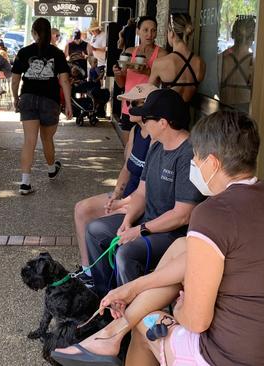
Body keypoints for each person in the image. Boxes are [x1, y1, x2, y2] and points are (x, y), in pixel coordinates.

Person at [53, 111, 264, 366]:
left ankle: (112, 334)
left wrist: (179, 307)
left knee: (147, 320)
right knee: (180, 246)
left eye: (196, 157)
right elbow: (190, 260)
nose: (193, 163)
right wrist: (132, 288)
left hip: (228, 358)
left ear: (213, 163)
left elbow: (197, 320)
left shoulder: (212, 213)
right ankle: (111, 334)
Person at [84, 88, 204, 298]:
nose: (143, 123)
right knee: (95, 230)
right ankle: (105, 298)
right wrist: (127, 221)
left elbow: (182, 215)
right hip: (147, 222)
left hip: (173, 234)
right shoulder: (156, 146)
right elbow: (141, 192)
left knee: (126, 254)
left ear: (163, 123)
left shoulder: (188, 154)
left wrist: (138, 231)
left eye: (147, 118)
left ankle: (134, 316)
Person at [73, 83, 156, 288]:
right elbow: (126, 169)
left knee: (99, 228)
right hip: (127, 195)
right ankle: (89, 272)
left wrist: (124, 204)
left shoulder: (158, 138)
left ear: (149, 106)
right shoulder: (136, 131)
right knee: (82, 209)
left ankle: (103, 278)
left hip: (142, 202)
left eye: (133, 103)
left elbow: (149, 189)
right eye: (127, 103)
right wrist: (116, 195)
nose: (128, 107)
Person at [11, 17, 73, 195]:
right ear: (50, 34)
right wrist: (68, 104)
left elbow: (15, 80)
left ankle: (25, 183)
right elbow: (65, 81)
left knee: (29, 141)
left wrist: (16, 98)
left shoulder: (23, 52)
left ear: (34, 33)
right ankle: (51, 169)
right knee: (47, 139)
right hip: (50, 100)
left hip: (28, 98)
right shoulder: (58, 53)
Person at [113, 16, 168, 143]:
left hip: (150, 106)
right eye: (146, 30)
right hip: (129, 105)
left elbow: (165, 82)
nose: (150, 34)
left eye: (153, 30)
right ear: (138, 31)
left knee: (149, 148)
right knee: (128, 146)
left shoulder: (162, 54)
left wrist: (147, 71)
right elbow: (121, 84)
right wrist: (117, 74)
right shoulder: (129, 52)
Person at [149, 13, 205, 103]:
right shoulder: (200, 63)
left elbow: (148, 95)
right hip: (185, 116)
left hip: (165, 116)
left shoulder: (160, 63)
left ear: (171, 33)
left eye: (167, 31)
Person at [218, 16, 255, 111]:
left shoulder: (221, 58)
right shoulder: (254, 62)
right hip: (244, 113)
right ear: (252, 37)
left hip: (224, 110)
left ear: (233, 34)